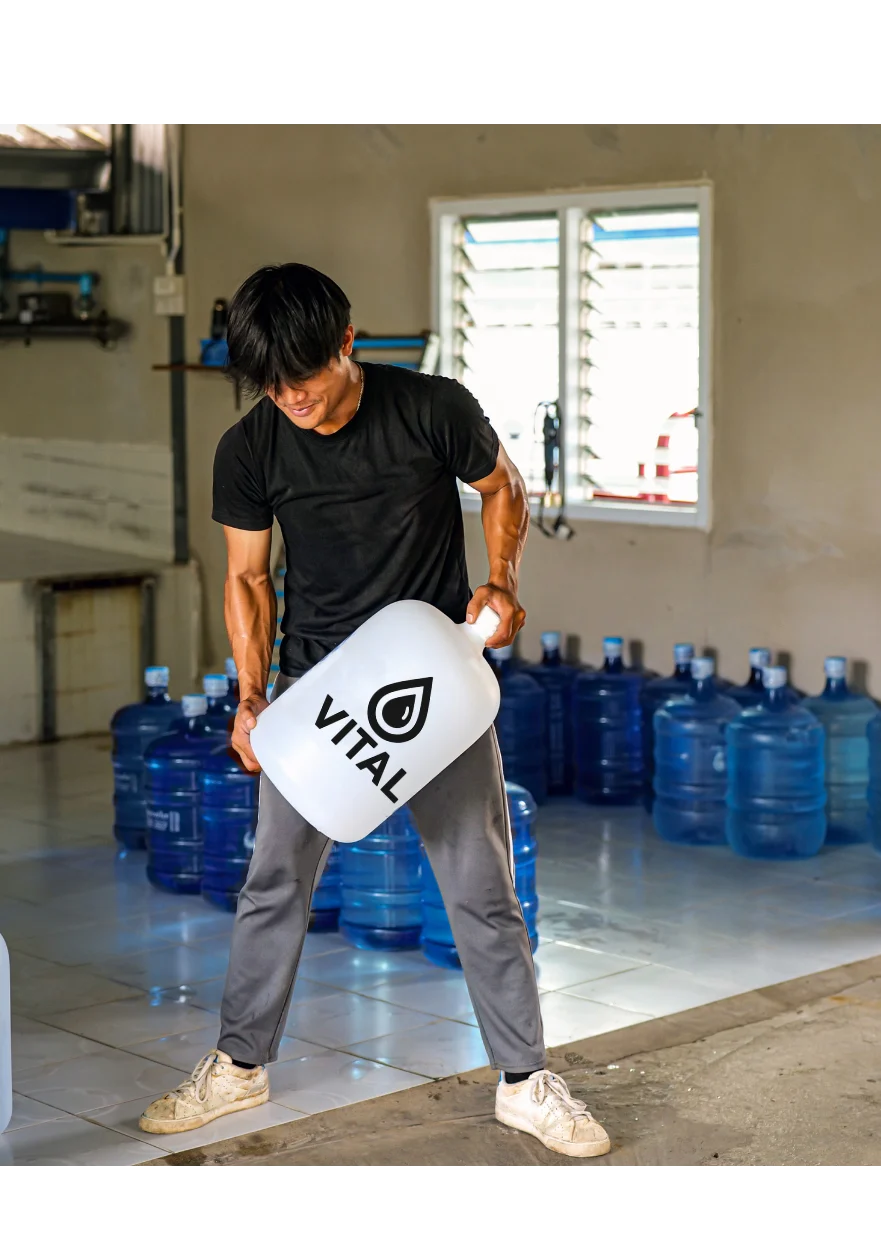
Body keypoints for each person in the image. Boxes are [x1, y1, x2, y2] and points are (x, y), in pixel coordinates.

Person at [138, 263, 610, 1159]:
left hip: (432, 683)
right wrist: (249, 697)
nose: (292, 399)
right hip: (318, 693)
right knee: (273, 879)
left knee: (481, 888)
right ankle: (240, 1065)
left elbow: (504, 486)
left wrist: (501, 582)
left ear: (347, 344)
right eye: (272, 385)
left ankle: (525, 1080)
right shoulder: (251, 448)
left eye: (304, 378)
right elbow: (246, 578)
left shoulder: (431, 408)